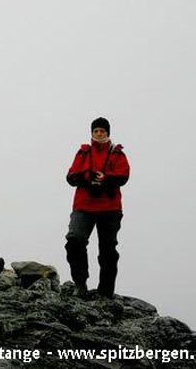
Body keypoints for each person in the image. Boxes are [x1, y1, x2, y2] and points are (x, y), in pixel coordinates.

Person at [64, 117, 130, 298]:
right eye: (96, 131)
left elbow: (123, 176)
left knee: (108, 251)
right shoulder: (83, 152)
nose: (99, 134)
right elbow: (70, 177)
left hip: (110, 209)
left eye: (102, 131)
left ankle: (106, 292)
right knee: (74, 241)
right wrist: (87, 176)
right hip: (84, 207)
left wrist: (105, 179)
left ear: (108, 133)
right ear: (92, 133)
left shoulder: (117, 154)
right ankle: (80, 285)